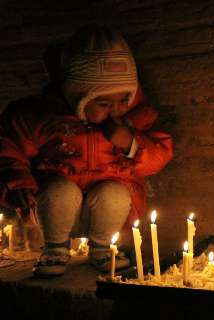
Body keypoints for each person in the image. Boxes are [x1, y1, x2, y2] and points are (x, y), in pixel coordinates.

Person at [0, 24, 173, 277]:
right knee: (61, 191)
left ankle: (102, 249)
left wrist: (130, 143)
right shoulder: (44, 118)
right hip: (51, 208)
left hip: (106, 212)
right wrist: (17, 183)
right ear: (76, 97)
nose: (116, 110)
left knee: (114, 193)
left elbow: (159, 155)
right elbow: (8, 144)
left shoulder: (134, 119)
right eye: (103, 103)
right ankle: (55, 250)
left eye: (124, 100)